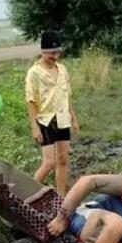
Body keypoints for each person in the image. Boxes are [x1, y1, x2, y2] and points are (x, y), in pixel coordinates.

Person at [25, 30, 79, 196]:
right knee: (49, 163)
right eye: (51, 53)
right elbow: (31, 100)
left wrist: (74, 118)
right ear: (43, 51)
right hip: (45, 121)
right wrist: (34, 127)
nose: (55, 56)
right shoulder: (34, 73)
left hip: (62, 119)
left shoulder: (62, 69)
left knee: (63, 160)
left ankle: (61, 198)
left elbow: (66, 95)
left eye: (57, 53)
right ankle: (28, 193)